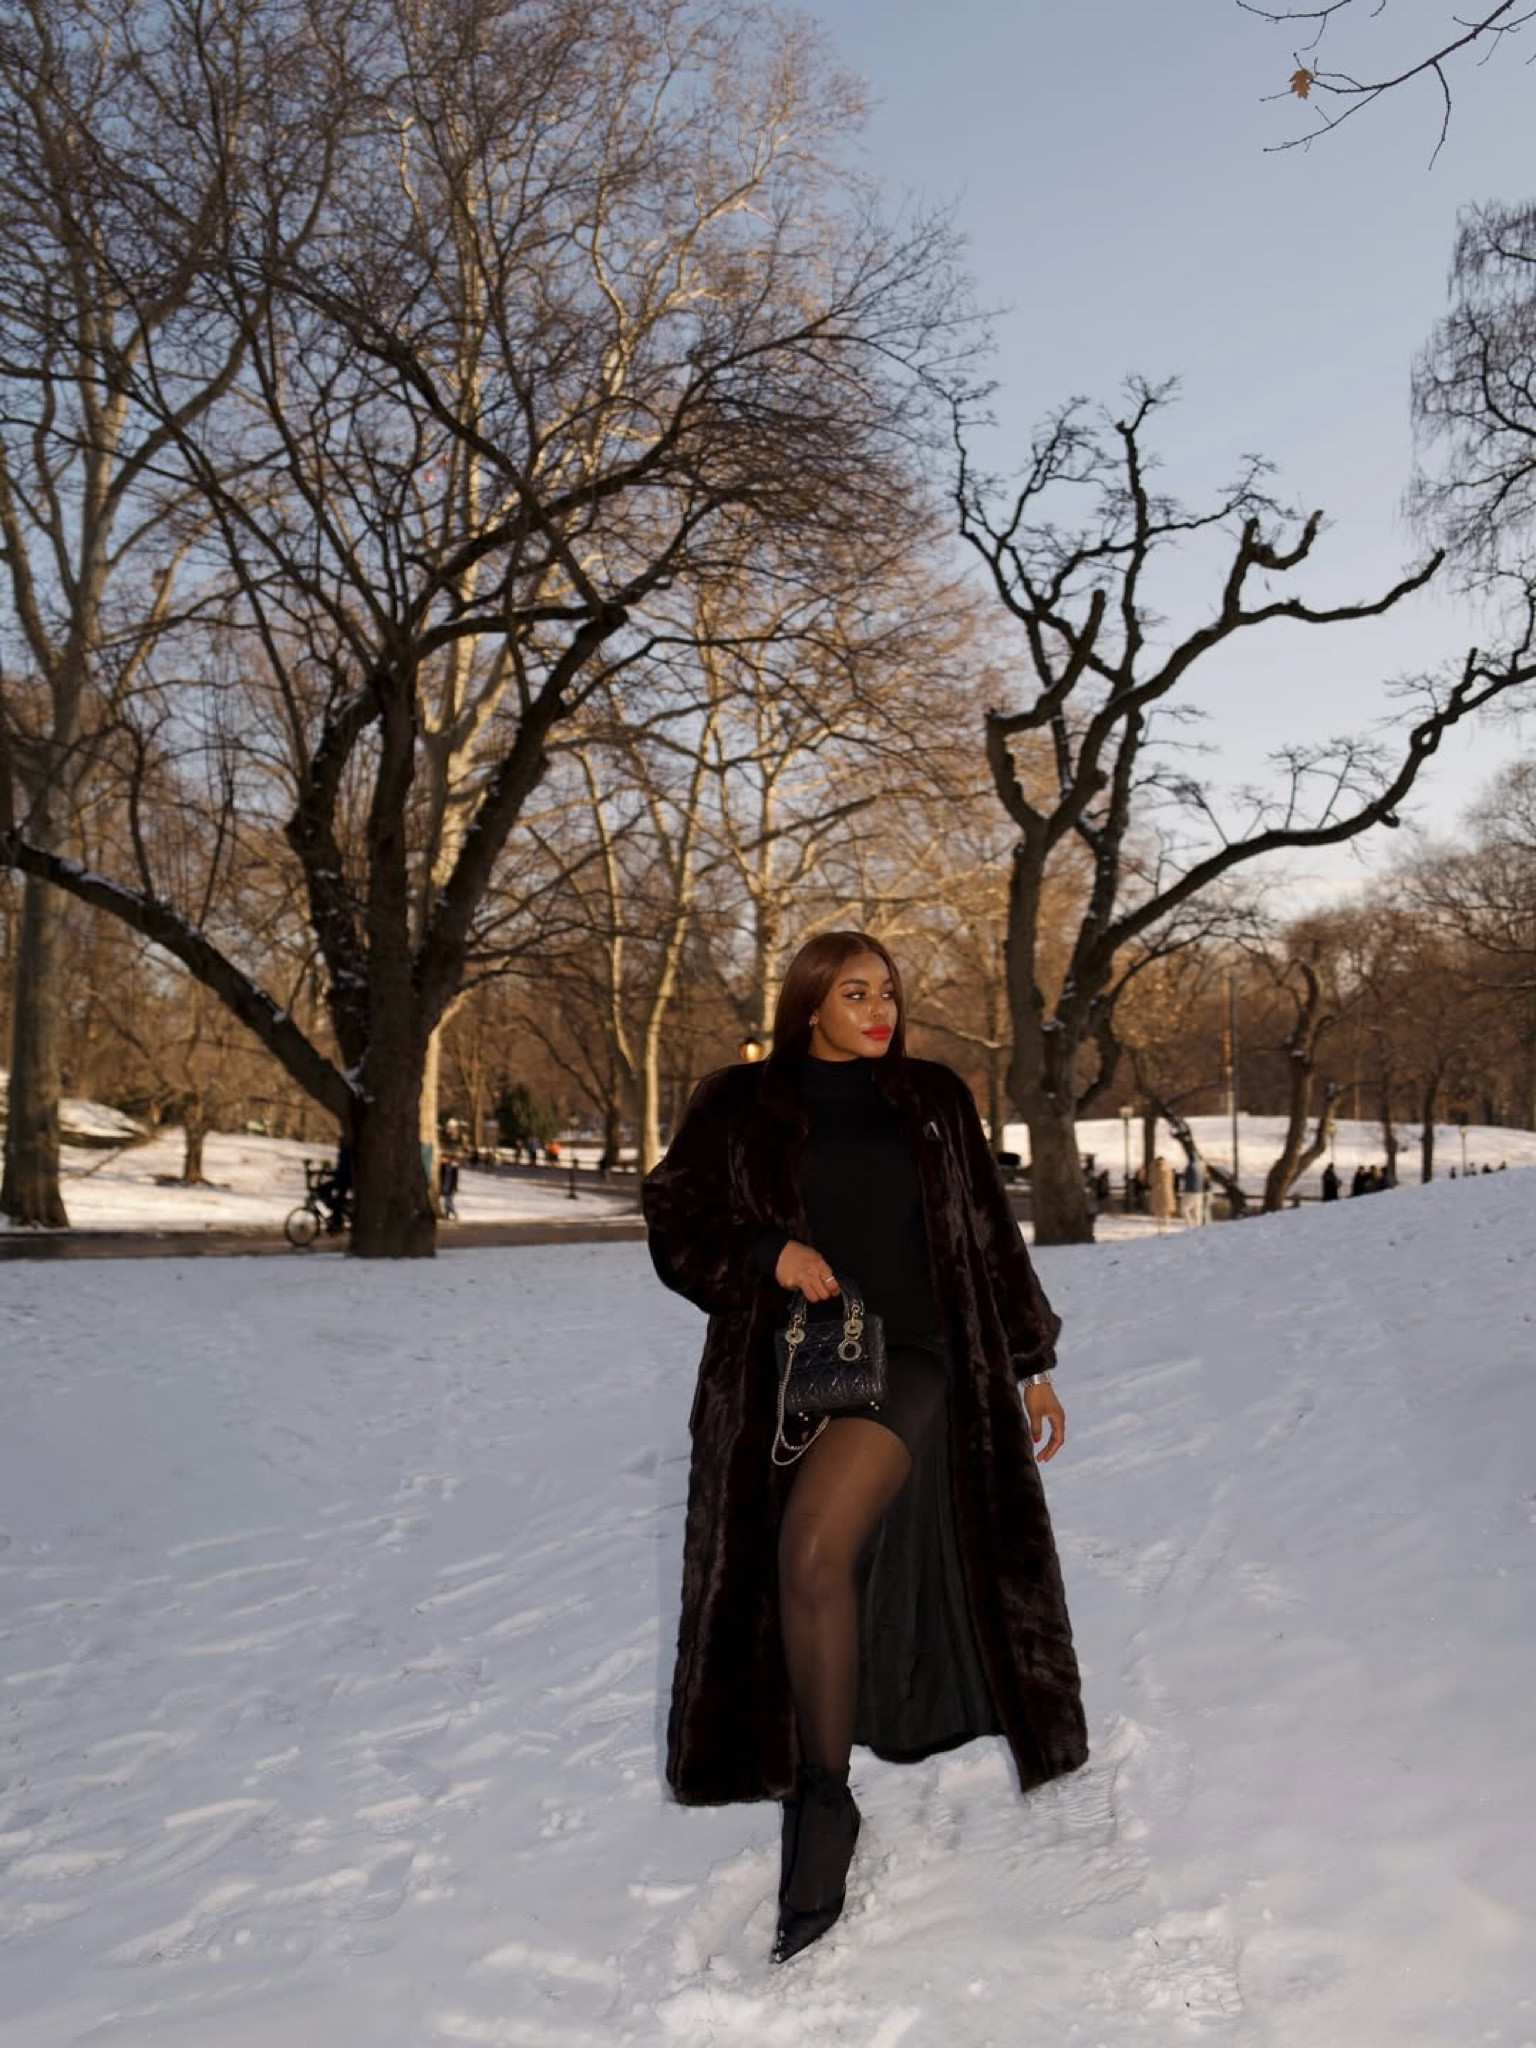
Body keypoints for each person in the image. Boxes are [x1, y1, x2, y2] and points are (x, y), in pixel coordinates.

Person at [643, 932, 1085, 1966]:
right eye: (856, 992)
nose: (880, 1008)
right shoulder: (737, 1101)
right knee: (791, 1572)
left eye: (888, 991)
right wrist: (768, 1249)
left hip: (924, 1354)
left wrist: (1031, 1357)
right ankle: (823, 1784)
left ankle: (821, 1800)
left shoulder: (931, 1095)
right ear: (809, 1002)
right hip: (787, 1372)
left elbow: (985, 1230)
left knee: (811, 1551)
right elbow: (674, 1213)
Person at [438, 1152, 459, 1220]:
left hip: (450, 1186)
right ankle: (448, 1214)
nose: (443, 1160)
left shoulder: (453, 1167)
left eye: (445, 1158)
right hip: (444, 1186)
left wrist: (455, 1187)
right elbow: (441, 1176)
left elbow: (455, 1178)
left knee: (448, 1201)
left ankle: (453, 1213)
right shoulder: (443, 1166)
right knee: (446, 1202)